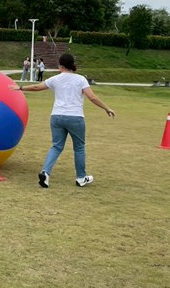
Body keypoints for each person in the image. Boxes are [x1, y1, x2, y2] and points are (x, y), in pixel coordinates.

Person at [20, 53, 115, 188]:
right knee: (79, 148)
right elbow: (92, 97)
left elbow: (36, 87)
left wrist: (20, 88)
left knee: (56, 146)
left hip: (56, 116)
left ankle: (45, 173)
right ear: (72, 65)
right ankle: (81, 177)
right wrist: (106, 108)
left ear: (61, 66)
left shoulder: (55, 79)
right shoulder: (81, 79)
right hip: (75, 117)